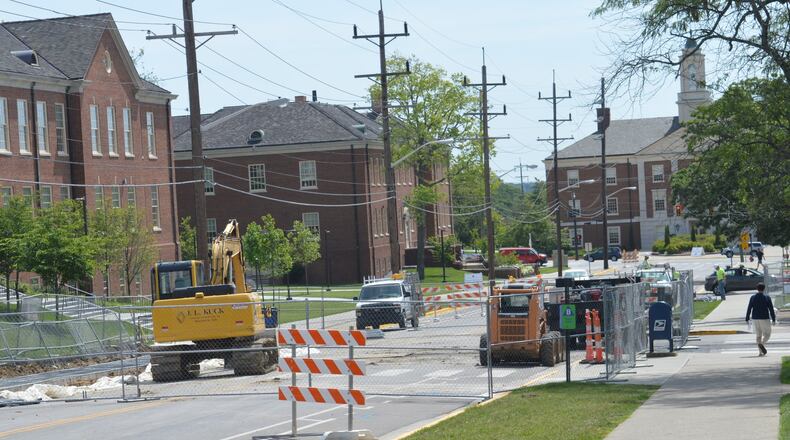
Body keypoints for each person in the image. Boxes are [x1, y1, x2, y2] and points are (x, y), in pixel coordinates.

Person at [745, 283, 776, 356]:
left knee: (758, 335)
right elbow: (771, 309)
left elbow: (749, 308)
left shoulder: (752, 297)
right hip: (764, 318)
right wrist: (773, 319)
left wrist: (747, 318)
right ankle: (761, 344)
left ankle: (760, 352)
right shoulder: (767, 297)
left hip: (755, 318)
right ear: (764, 289)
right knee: (767, 334)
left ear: (757, 288)